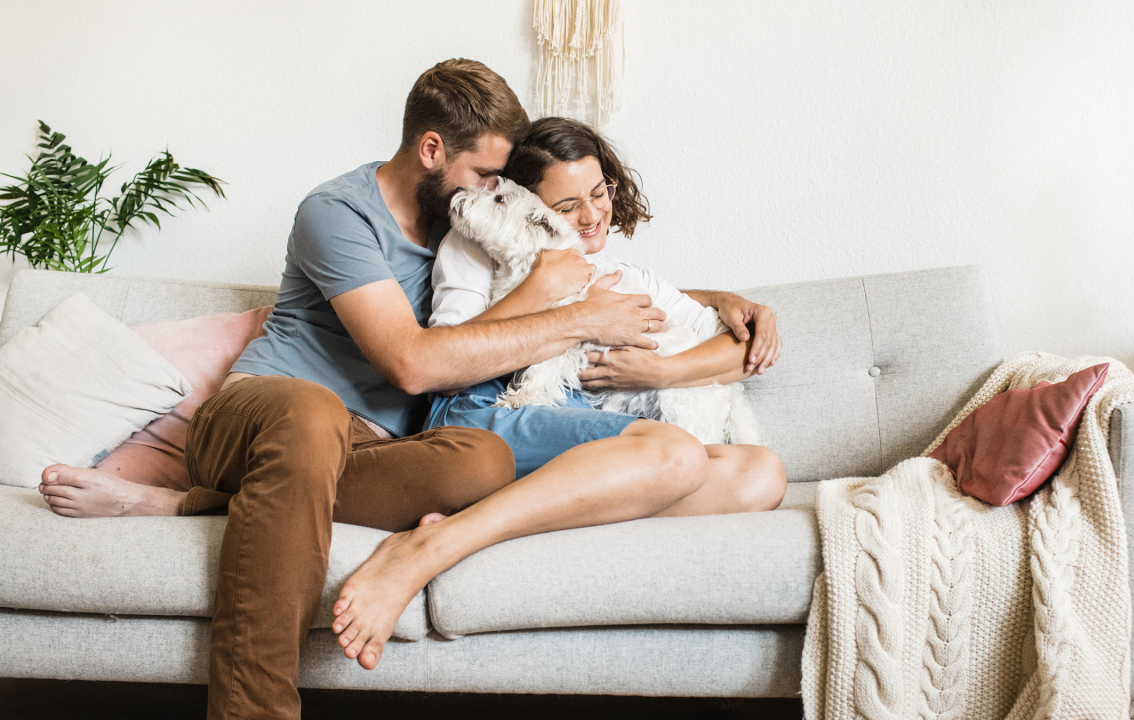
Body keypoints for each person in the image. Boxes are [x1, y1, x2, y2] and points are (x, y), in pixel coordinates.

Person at [35, 58, 781, 720]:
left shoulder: (473, 232)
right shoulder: (338, 212)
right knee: (312, 414)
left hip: (375, 453)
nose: (496, 193)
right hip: (266, 413)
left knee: (482, 460)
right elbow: (413, 365)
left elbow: (582, 276)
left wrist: (719, 300)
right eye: (486, 175)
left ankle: (186, 507)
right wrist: (575, 315)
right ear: (432, 150)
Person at [426, 115, 785, 493]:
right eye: (566, 207)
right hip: (487, 406)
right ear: (531, 207)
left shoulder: (615, 273)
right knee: (685, 455)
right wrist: (554, 297)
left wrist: (659, 372)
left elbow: (743, 348)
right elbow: (444, 368)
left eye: (599, 193)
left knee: (755, 474)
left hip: (574, 407)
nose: (592, 215)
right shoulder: (478, 244)